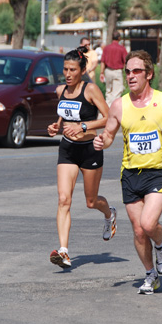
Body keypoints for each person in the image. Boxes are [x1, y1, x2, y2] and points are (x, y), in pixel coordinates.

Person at [93, 50, 162, 295]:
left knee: (149, 224)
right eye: (127, 71)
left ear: (149, 74)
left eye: (137, 71)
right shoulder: (119, 105)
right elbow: (109, 135)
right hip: (130, 174)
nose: (130, 76)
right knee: (138, 230)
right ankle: (151, 274)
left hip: (159, 172)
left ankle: (161, 243)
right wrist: (101, 142)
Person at [47, 46, 117, 269]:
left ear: (82, 70)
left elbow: (108, 118)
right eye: (65, 69)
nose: (67, 74)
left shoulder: (91, 90)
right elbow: (63, 114)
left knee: (90, 201)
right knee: (63, 199)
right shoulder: (61, 91)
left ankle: (109, 214)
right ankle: (64, 251)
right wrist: (55, 126)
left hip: (90, 149)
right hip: (67, 150)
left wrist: (83, 126)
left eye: (72, 70)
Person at [99, 31, 128, 105]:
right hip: (117, 71)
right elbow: (126, 61)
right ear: (119, 38)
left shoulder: (106, 48)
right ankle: (114, 107)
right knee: (117, 91)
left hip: (108, 71)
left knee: (108, 91)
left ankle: (108, 107)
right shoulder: (122, 48)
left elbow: (103, 61)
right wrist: (126, 73)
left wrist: (101, 73)